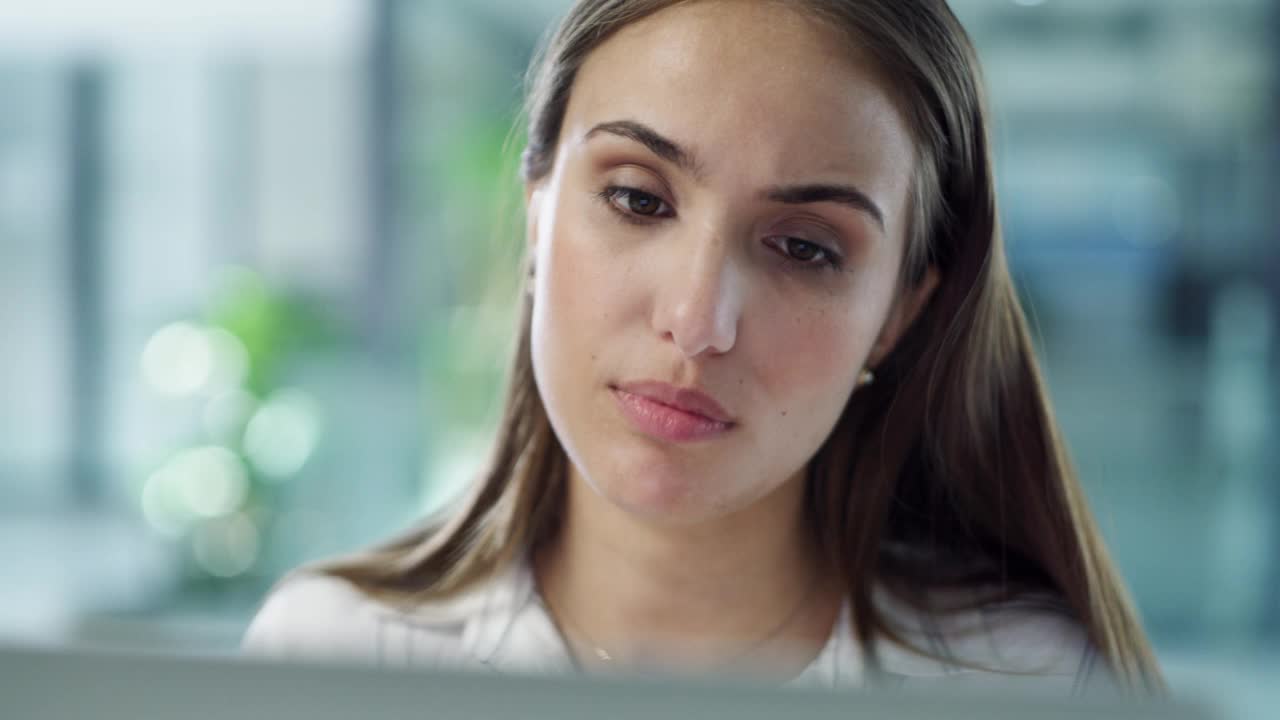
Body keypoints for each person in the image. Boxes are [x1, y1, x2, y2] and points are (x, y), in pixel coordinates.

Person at [243, 0, 1164, 695]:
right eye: (638, 199)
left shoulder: (1023, 688)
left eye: (806, 248)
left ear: (898, 315)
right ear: (536, 215)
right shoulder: (325, 659)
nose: (696, 320)